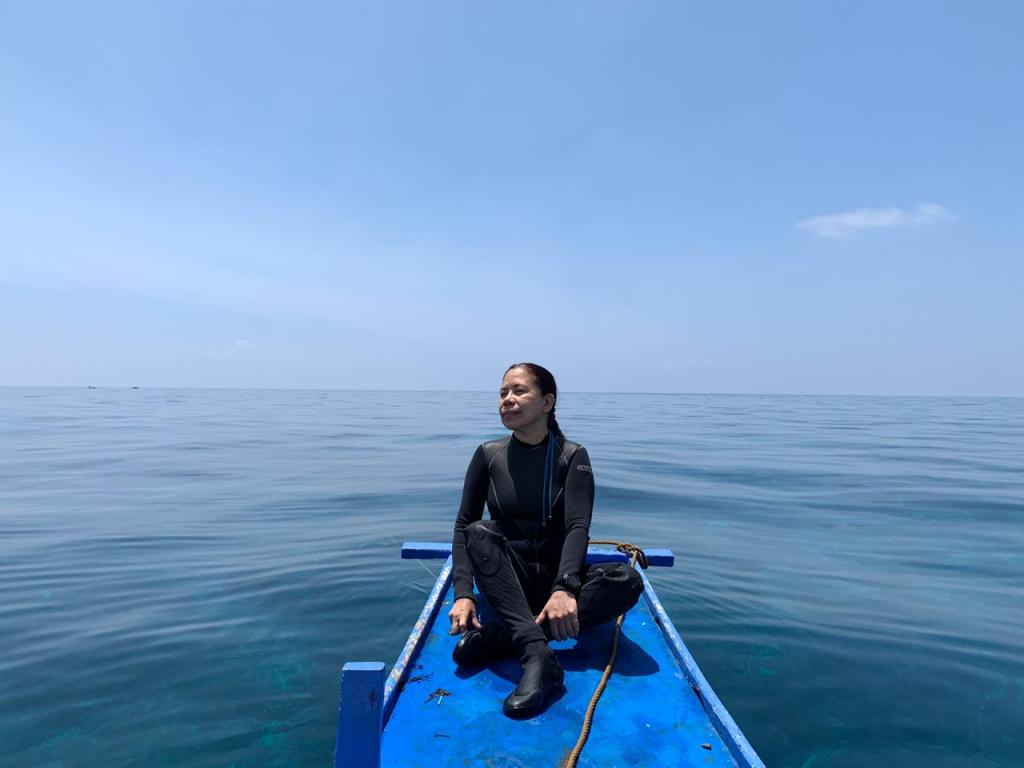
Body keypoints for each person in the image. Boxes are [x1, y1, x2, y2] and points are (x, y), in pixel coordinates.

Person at [448, 363, 644, 718]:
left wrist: (564, 587)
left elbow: (577, 526)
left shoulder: (572, 456)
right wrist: (463, 594)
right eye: (503, 393)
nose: (507, 399)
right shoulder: (488, 455)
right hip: (509, 584)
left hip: (558, 585)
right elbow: (464, 525)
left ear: (547, 402)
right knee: (478, 532)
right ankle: (538, 655)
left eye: (519, 391)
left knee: (627, 580)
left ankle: (510, 637)